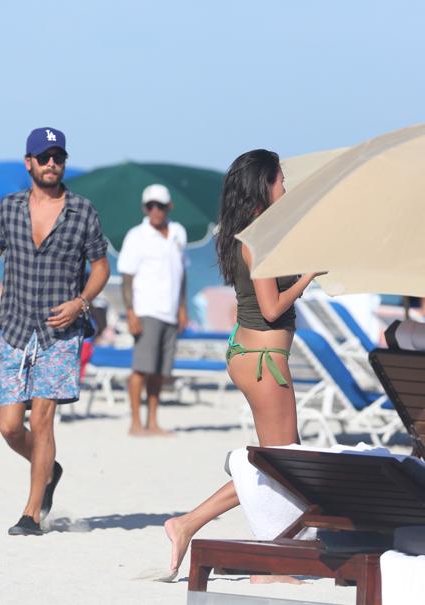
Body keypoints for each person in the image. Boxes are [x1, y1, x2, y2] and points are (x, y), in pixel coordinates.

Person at [163, 149, 325, 579]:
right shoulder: (259, 239)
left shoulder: (247, 233)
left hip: (249, 354)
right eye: (280, 180)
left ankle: (188, 523)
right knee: (284, 465)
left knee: (278, 462)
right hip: (264, 361)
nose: (285, 188)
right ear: (264, 184)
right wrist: (307, 276)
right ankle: (268, 564)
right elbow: (271, 309)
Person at [0, 127, 110, 536]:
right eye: (44, 157)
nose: (52, 164)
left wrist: (81, 302)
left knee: (44, 419)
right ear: (28, 162)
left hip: (59, 332)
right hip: (14, 327)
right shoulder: (9, 207)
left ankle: (31, 514)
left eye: (58, 157)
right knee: (10, 426)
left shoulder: (82, 211)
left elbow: (101, 267)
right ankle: (48, 468)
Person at [117, 184, 187, 436]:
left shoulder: (178, 233)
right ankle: (136, 423)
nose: (155, 211)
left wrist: (182, 307)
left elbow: (182, 272)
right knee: (141, 368)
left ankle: (153, 422)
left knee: (160, 372)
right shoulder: (136, 236)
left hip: (170, 311)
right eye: (150, 206)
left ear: (169, 207)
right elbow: (127, 276)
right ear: (145, 208)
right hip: (147, 309)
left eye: (159, 205)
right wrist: (131, 312)